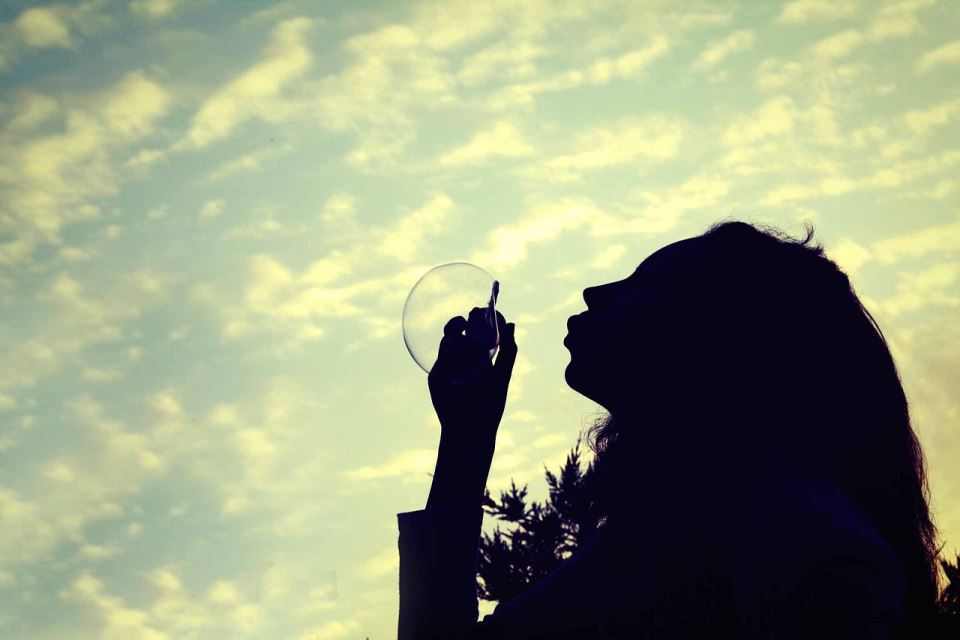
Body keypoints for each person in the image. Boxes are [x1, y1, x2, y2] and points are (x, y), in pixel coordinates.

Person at [396, 221, 940, 639]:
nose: (593, 292)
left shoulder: (807, 543)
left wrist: (466, 449)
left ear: (712, 335)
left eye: (642, 285)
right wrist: (466, 441)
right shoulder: (656, 539)